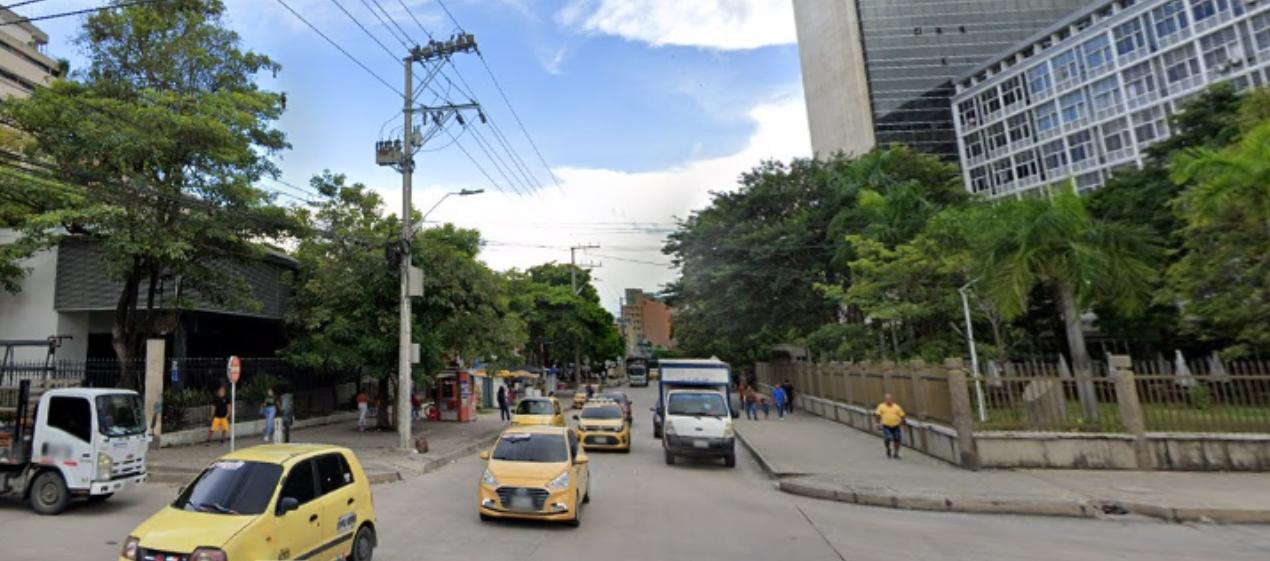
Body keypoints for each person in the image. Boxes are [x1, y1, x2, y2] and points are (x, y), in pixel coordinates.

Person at [874, 393, 907, 459]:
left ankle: (896, 453)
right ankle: (888, 448)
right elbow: (877, 415)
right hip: (886, 426)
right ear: (885, 400)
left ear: (892, 399)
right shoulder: (881, 406)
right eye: (887, 399)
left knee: (897, 439)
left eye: (890, 399)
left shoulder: (896, 407)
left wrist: (904, 425)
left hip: (896, 426)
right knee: (888, 438)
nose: (889, 400)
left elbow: (902, 416)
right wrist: (877, 423)